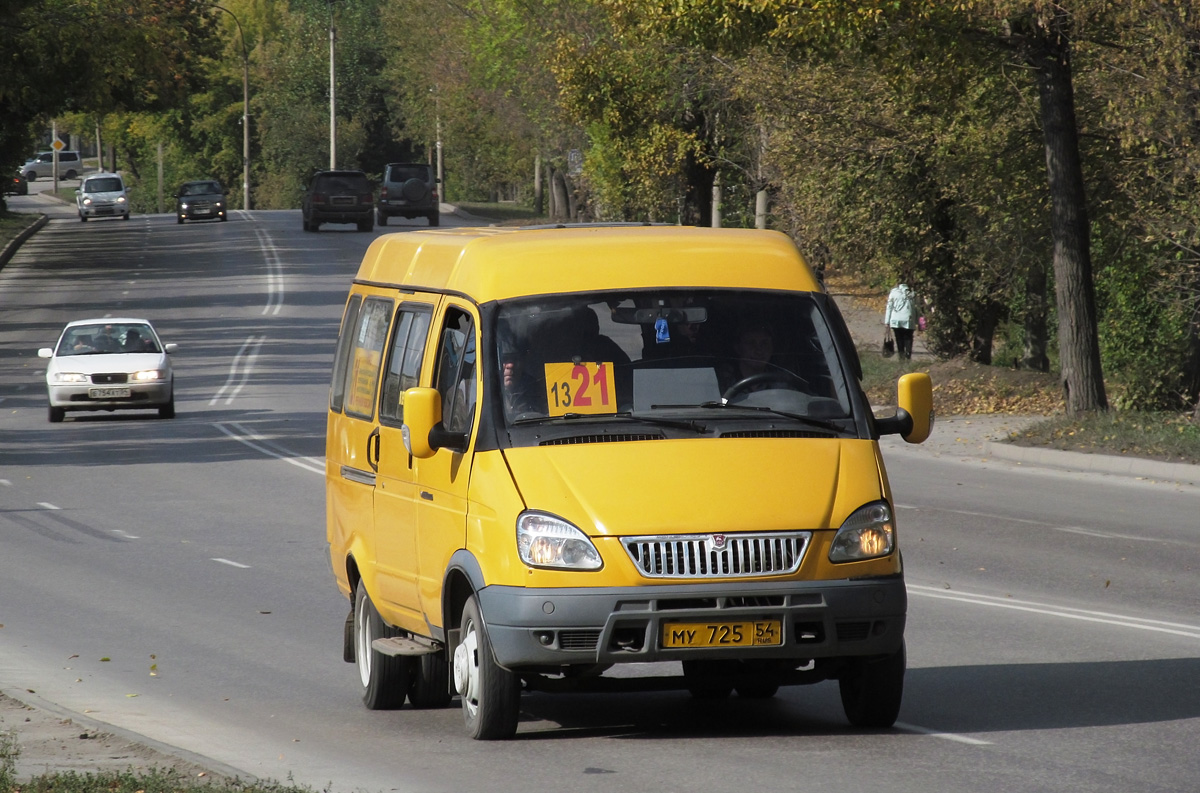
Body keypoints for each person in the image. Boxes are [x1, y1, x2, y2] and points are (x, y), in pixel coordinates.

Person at [884, 280, 918, 360]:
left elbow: (889, 307)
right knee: (908, 337)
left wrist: (887, 322)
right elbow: (917, 309)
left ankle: (901, 356)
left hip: (896, 320)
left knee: (899, 338)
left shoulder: (893, 293)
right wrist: (917, 322)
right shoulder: (912, 294)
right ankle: (908, 354)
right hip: (908, 319)